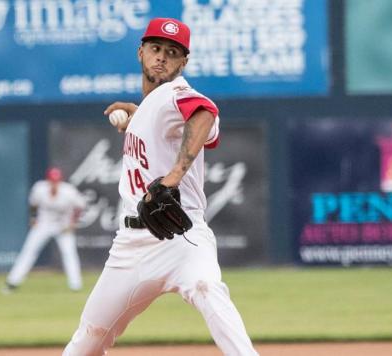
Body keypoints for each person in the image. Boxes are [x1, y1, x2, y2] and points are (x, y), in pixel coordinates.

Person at [63, 18, 258, 356]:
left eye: (172, 52)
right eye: (155, 49)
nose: (162, 57)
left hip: (181, 237)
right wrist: (138, 115)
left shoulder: (176, 92)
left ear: (183, 62)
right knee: (89, 337)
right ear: (141, 52)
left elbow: (204, 113)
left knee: (207, 287)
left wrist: (172, 179)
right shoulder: (153, 106)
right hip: (130, 245)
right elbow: (164, 122)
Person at [2, 167, 86, 293]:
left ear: (60, 181)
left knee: (69, 253)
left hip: (62, 225)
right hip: (44, 224)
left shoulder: (68, 192)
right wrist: (34, 218)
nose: (54, 183)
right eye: (52, 180)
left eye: (56, 181)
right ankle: (13, 282)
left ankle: (75, 285)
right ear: (48, 180)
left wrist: (73, 223)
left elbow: (80, 206)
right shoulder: (39, 189)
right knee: (29, 250)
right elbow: (34, 204)